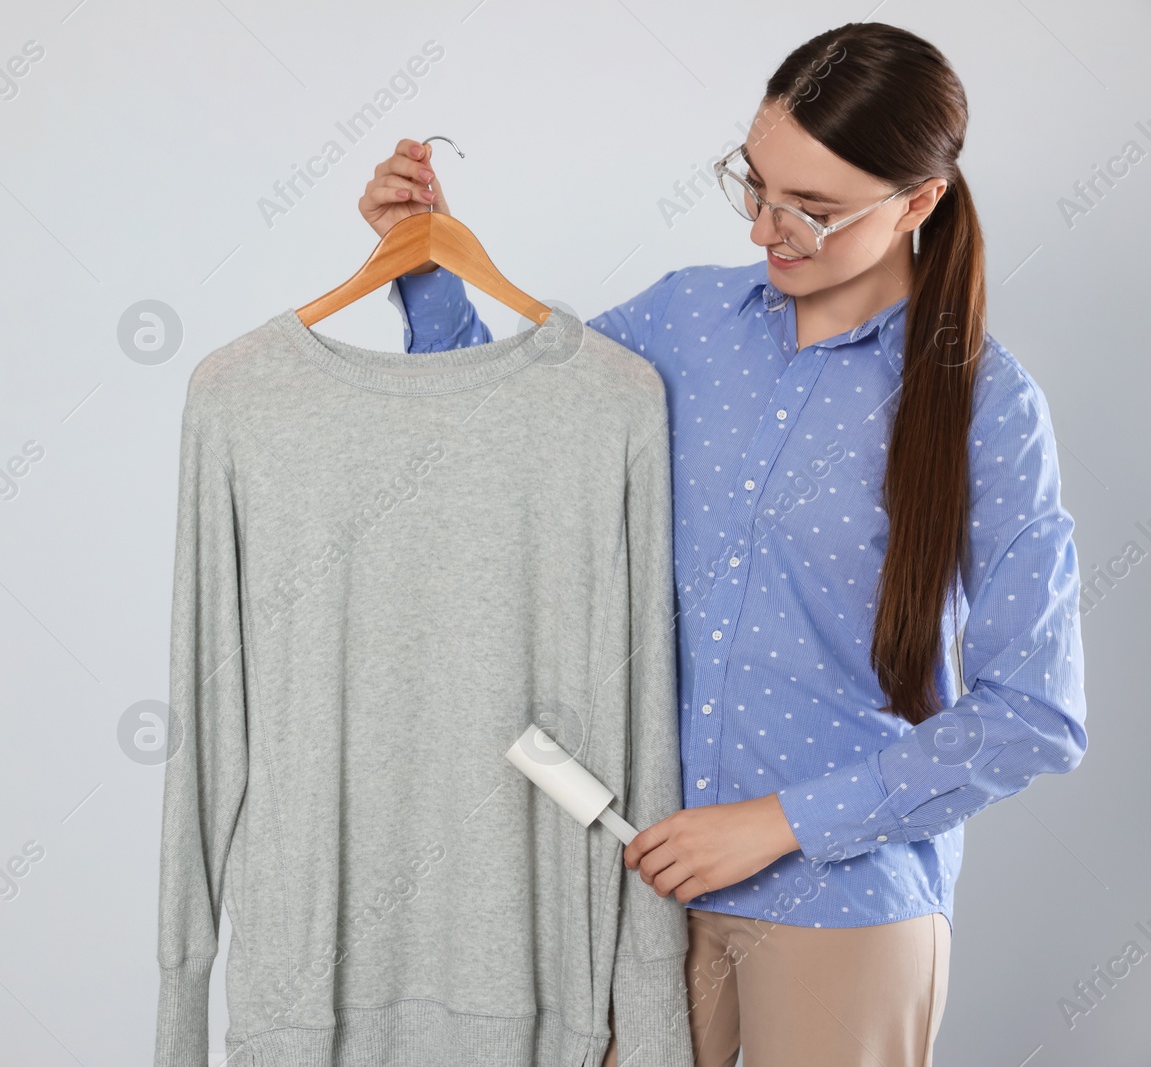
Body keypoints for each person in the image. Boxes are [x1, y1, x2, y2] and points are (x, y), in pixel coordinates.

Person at [356, 21, 1087, 1067]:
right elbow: (502, 441)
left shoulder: (986, 405)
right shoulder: (681, 322)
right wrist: (423, 263)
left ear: (918, 202)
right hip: (639, 888)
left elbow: (1035, 711)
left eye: (813, 210)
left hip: (850, 909)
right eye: (754, 186)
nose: (766, 231)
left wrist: (780, 821)